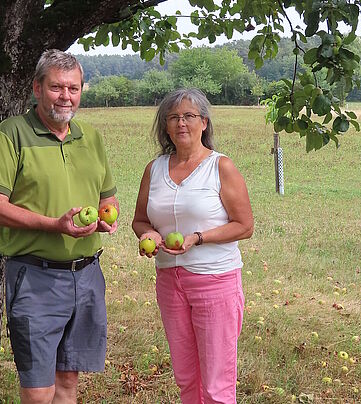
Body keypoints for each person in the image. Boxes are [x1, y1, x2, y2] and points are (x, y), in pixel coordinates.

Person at [0, 49, 118, 404]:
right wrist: (54, 225)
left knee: (68, 382)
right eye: (56, 87)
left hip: (86, 276)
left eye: (73, 88)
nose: (66, 96)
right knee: (39, 391)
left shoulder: (91, 138)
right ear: (37, 88)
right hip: (36, 278)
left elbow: (108, 199)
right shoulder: (12, 134)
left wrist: (105, 218)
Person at [132, 88, 254, 403]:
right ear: (166, 126)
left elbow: (245, 225)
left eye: (189, 116)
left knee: (216, 384)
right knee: (187, 379)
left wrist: (197, 238)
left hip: (214, 281)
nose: (181, 123)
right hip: (170, 284)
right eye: (173, 117)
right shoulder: (154, 168)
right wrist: (149, 235)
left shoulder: (220, 166)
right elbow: (140, 220)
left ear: (204, 122)